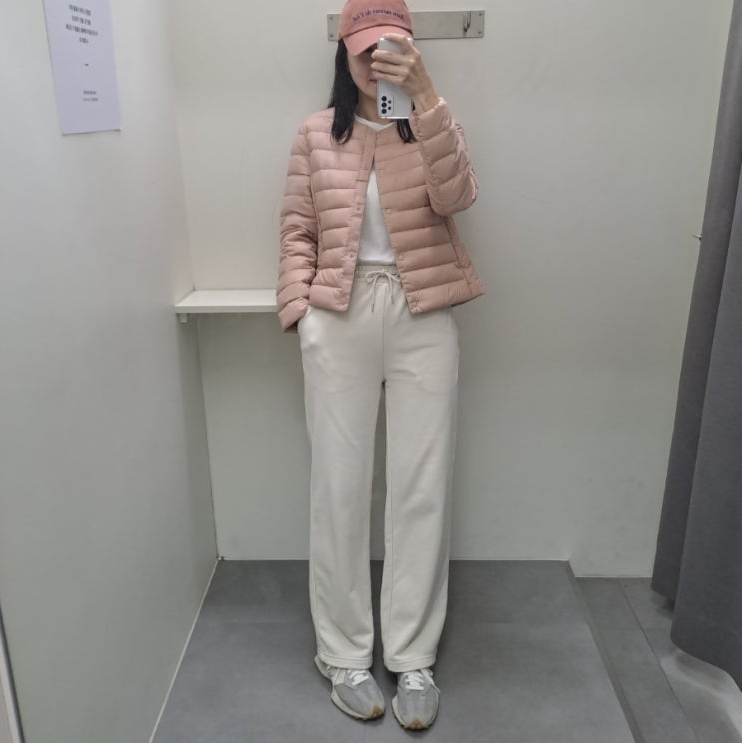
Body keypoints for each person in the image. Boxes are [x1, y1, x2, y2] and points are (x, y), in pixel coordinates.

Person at [277, 0, 484, 729]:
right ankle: (342, 653)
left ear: (409, 50)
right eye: (363, 47)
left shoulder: (429, 122)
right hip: (340, 314)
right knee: (338, 485)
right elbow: (297, 229)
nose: (374, 61)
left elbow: (458, 196)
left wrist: (427, 99)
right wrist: (302, 315)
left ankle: (412, 654)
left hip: (423, 311)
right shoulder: (316, 132)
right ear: (343, 50)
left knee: (421, 485)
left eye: (389, 47)